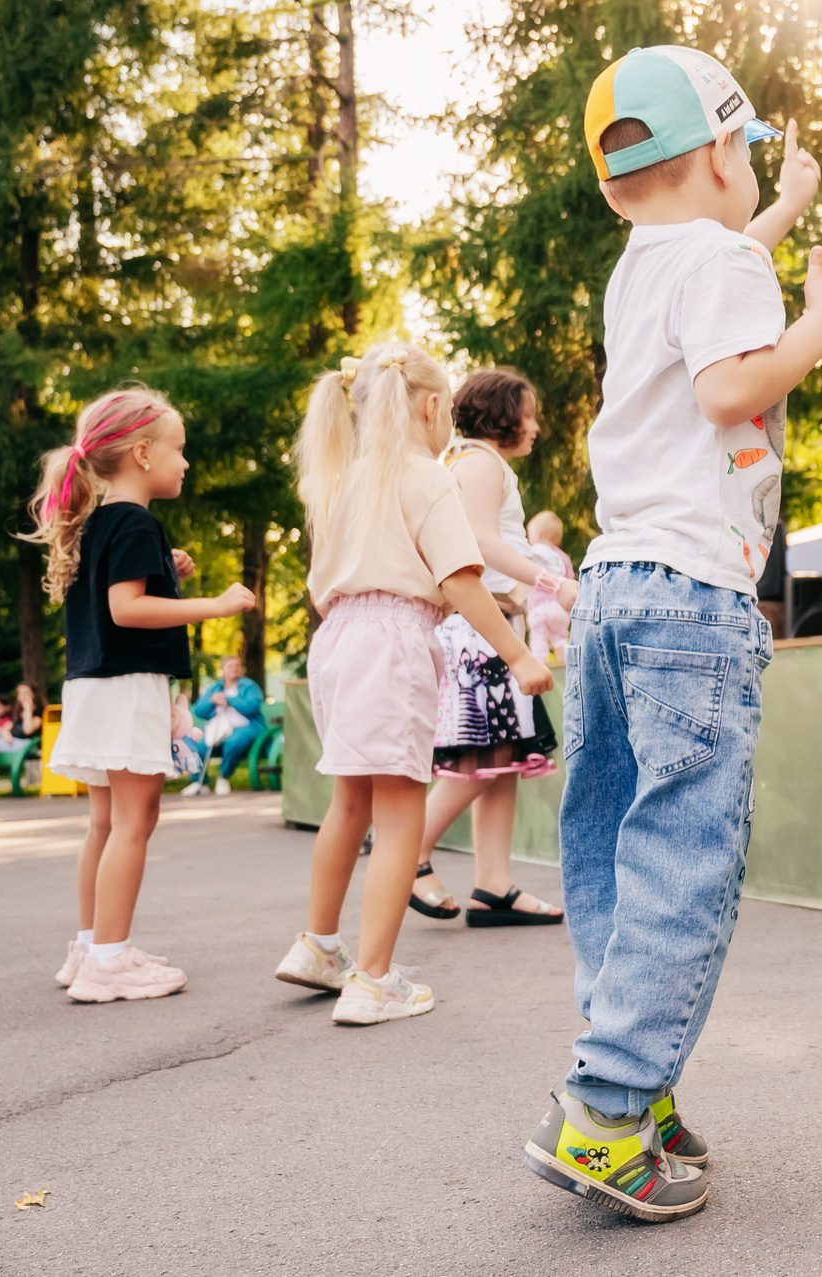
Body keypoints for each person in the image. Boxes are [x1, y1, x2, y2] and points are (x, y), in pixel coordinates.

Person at [519, 44, 822, 1224]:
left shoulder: (646, 261)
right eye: (748, 155)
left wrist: (784, 212)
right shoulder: (720, 261)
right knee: (684, 852)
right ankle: (608, 1111)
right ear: (720, 150)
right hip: (691, 596)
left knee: (617, 849)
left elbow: (720, 266)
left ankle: (628, 1078)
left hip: (614, 587)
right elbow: (730, 389)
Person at [272, 342, 551, 1026]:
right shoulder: (428, 478)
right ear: (429, 408)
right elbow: (461, 578)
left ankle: (320, 946)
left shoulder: (339, 480)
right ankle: (374, 980)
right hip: (393, 642)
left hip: (337, 640)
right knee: (400, 814)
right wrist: (518, 655)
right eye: (448, 409)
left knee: (349, 803)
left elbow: (322, 587)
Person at [22, 387, 256, 1001]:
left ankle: (91, 946)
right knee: (135, 821)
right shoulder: (134, 520)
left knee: (104, 824)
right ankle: (110, 962)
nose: (186, 462)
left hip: (93, 686)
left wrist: (164, 573)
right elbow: (126, 610)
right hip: (126, 689)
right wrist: (214, 604)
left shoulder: (100, 523)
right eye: (178, 449)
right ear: (143, 453)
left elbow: (115, 598)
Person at [407, 367, 565, 927]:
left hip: (491, 623)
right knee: (489, 753)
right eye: (529, 414)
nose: (536, 426)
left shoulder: (473, 461)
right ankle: (410, 853)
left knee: (502, 757)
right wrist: (553, 582)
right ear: (501, 416)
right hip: (480, 629)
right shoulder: (479, 462)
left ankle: (494, 885)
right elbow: (479, 541)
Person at [181, 653, 265, 795]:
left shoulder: (249, 686)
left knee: (234, 742)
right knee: (197, 743)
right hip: (218, 726)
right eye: (230, 666)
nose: (234, 669)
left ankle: (223, 777)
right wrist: (212, 700)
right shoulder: (214, 687)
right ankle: (199, 782)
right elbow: (199, 710)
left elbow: (252, 707)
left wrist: (229, 700)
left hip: (244, 725)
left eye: (238, 665)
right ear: (222, 669)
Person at [525, 509, 574, 662]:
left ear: (538, 534)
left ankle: (540, 665)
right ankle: (564, 666)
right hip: (559, 607)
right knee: (560, 637)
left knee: (538, 637)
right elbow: (570, 580)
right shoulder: (564, 557)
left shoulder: (533, 553)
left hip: (538, 606)